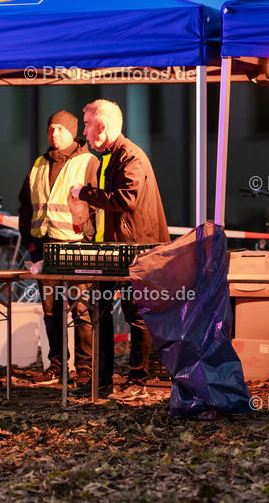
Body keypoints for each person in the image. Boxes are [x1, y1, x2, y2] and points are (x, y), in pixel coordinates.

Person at [70, 99, 170, 399]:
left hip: (135, 251)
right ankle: (99, 383)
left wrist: (84, 193)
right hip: (114, 249)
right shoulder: (111, 157)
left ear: (103, 126)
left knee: (135, 314)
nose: (84, 132)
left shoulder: (131, 157)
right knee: (98, 309)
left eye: (87, 124)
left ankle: (138, 380)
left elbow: (126, 200)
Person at [17, 111, 100, 387]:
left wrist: (91, 243)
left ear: (72, 133)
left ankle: (85, 369)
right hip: (45, 250)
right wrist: (31, 244)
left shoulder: (89, 162)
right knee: (51, 310)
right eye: (51, 129)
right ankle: (56, 366)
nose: (54, 134)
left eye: (60, 130)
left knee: (82, 309)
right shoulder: (40, 163)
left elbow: (99, 207)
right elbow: (26, 206)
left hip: (78, 249)